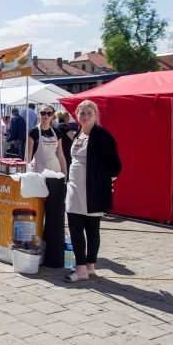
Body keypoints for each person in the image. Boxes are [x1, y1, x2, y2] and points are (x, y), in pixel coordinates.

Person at [64, 100, 122, 282]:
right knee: (75, 226)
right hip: (74, 188)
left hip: (92, 191)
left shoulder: (102, 136)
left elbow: (115, 166)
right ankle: (83, 267)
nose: (85, 116)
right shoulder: (78, 134)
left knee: (92, 229)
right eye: (82, 113)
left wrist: (103, 182)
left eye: (89, 112)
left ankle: (88, 267)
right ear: (77, 115)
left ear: (96, 115)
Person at [27, 104, 68, 176]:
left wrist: (64, 174)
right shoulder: (33, 132)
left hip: (55, 170)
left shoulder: (57, 132)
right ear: (39, 114)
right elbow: (28, 155)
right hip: (39, 170)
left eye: (49, 113)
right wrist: (26, 172)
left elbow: (60, 155)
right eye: (43, 113)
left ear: (52, 116)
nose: (46, 116)